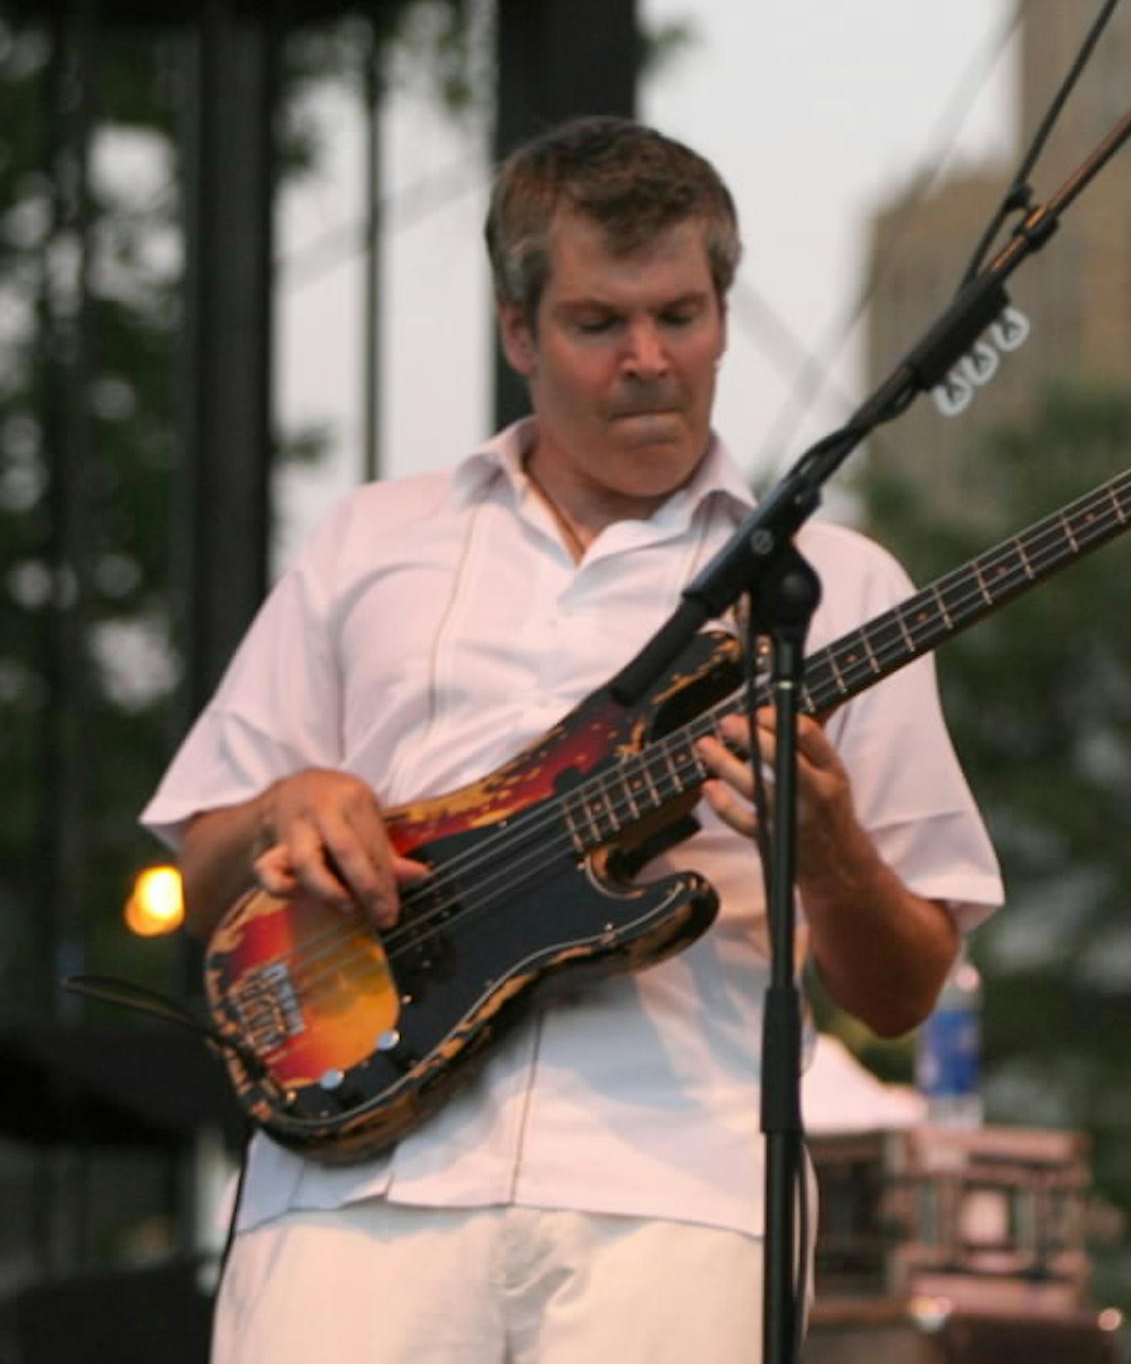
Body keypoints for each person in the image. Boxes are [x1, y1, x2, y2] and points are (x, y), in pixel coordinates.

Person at [142, 116, 1003, 1364]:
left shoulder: (839, 585)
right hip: (353, 1185)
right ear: (517, 333)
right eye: (600, 324)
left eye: (684, 315)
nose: (650, 360)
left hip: (679, 1195)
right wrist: (287, 808)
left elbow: (905, 989)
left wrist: (830, 850)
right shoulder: (372, 542)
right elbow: (202, 864)